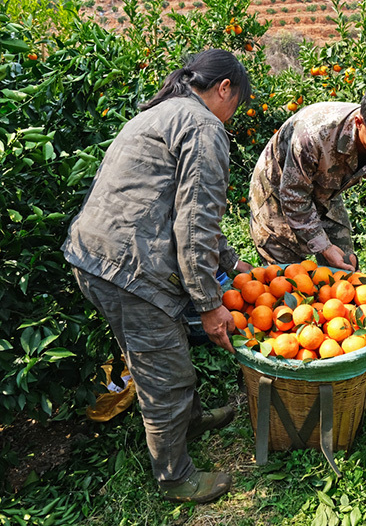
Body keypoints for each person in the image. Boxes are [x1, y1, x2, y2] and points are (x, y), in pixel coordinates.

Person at [62, 49, 252, 504]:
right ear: (223, 88)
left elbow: (175, 205)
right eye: (237, 103)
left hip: (96, 256)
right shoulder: (204, 126)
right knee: (161, 376)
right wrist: (210, 306)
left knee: (162, 354)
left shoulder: (165, 111)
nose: (234, 115)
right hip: (130, 270)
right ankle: (174, 477)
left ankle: (189, 423)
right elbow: (193, 225)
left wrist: (231, 264)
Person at [249, 79, 366, 291]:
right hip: (277, 191)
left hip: (324, 191)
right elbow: (293, 195)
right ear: (359, 123)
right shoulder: (313, 133)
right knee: (287, 281)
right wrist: (324, 247)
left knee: (345, 271)